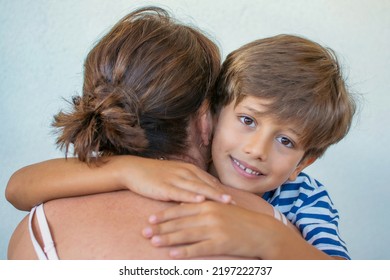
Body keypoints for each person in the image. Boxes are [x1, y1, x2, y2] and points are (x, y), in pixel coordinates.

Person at [6, 17, 355, 259]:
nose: (255, 150)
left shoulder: (304, 199)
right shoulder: (190, 169)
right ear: (211, 118)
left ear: (304, 163)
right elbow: (17, 187)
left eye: (286, 141)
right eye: (247, 120)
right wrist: (127, 170)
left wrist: (270, 238)